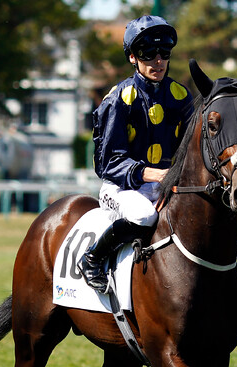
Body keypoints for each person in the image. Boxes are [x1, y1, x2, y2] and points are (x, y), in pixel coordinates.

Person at [78, 15, 194, 294]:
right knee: (143, 216)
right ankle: (92, 258)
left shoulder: (181, 96)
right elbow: (108, 163)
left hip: (164, 185)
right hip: (120, 188)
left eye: (164, 52)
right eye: (148, 53)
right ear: (133, 57)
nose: (158, 60)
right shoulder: (119, 98)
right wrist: (155, 175)